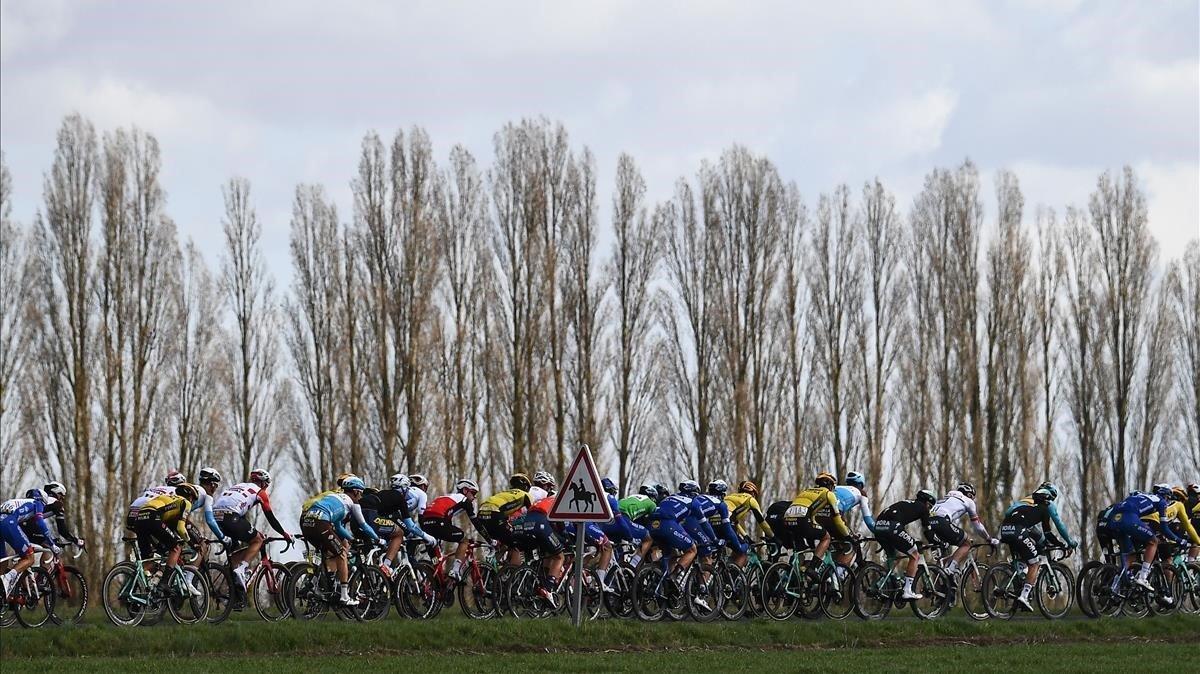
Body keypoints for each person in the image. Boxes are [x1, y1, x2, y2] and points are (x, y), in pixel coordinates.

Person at [299, 476, 381, 606]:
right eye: (360, 493)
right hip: (321, 524)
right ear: (355, 491)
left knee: (329, 553)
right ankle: (344, 596)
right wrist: (378, 539)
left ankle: (315, 584)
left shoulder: (334, 498)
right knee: (342, 554)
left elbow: (338, 526)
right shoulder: (353, 503)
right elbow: (364, 525)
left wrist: (351, 539)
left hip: (306, 524)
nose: (360, 496)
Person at [1001, 487, 1079, 612]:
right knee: (1035, 563)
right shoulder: (1045, 509)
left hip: (1005, 529)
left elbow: (1009, 513)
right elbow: (1049, 532)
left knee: (1027, 553)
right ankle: (1024, 596)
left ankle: (1019, 576)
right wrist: (1064, 544)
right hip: (1019, 530)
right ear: (1048, 499)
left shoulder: (1027, 503)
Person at [212, 468, 292, 589]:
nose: (266, 488)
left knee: (234, 553)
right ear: (263, 483)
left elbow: (241, 517)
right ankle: (242, 568)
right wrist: (284, 533)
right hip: (231, 516)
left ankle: (235, 593)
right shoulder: (260, 492)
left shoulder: (238, 486)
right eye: (267, 485)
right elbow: (270, 517)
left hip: (216, 516)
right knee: (258, 540)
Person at [1105, 485, 1186, 594]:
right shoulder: (1161, 502)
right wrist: (1179, 540)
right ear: (1166, 496)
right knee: (1153, 541)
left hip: (1113, 520)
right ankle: (1143, 577)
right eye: (1168, 498)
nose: (1168, 502)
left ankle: (1115, 586)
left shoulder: (1143, 495)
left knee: (1130, 554)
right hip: (1129, 518)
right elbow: (1164, 528)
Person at [646, 481, 713, 610]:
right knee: (692, 549)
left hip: (652, 526)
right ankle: (674, 576)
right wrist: (714, 539)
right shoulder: (693, 502)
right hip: (667, 524)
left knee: (672, 554)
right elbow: (704, 524)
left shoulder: (669, 498)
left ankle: (664, 583)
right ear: (694, 493)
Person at [130, 483, 204, 596]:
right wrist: (192, 544)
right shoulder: (185, 502)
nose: (193, 503)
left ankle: (138, 594)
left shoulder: (169, 499)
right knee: (176, 548)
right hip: (152, 517)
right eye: (194, 500)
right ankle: (164, 583)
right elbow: (180, 528)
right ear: (190, 496)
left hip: (139, 519)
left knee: (148, 560)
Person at [361, 474, 437, 580]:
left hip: (358, 515)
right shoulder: (400, 498)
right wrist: (426, 536)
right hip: (371, 515)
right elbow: (410, 525)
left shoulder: (384, 493)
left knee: (380, 539)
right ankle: (386, 565)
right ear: (404, 487)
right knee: (399, 534)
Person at [873, 489, 938, 601]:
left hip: (878, 527)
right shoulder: (923, 508)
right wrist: (936, 542)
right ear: (927, 503)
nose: (929, 509)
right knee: (915, 555)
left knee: (893, 556)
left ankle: (886, 581)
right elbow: (928, 531)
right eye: (930, 507)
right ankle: (907, 591)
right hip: (893, 527)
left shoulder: (907, 503)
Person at [927, 482, 999, 576]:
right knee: (967, 543)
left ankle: (938, 583)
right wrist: (988, 538)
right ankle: (951, 570)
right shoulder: (968, 501)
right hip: (942, 521)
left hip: (929, 524)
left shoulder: (946, 498)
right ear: (970, 494)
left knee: (942, 558)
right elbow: (977, 526)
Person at [0, 489, 60, 600]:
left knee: (3, 564)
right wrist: (51, 544)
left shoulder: (20, 502)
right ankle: (7, 578)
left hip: (3, 520)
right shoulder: (37, 503)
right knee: (29, 558)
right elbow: (40, 523)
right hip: (8, 523)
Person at [782, 472, 851, 563]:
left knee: (800, 550)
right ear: (830, 485)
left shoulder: (805, 491)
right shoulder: (828, 494)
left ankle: (793, 572)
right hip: (802, 520)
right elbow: (837, 521)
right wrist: (848, 536)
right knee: (826, 537)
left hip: (786, 520)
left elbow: (811, 516)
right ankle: (813, 567)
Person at [420, 479, 479, 582]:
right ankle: (455, 570)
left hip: (425, 524)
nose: (474, 497)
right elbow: (477, 523)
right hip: (438, 522)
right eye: (473, 493)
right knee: (464, 539)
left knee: (436, 562)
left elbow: (445, 519)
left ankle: (434, 587)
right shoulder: (464, 500)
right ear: (465, 490)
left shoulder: (447, 498)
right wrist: (490, 539)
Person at [474, 473, 534, 566]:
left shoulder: (503, 493)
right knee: (515, 544)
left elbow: (505, 510)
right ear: (526, 487)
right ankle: (514, 573)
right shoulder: (525, 495)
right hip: (495, 514)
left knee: (502, 542)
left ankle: (490, 569)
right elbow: (532, 515)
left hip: (481, 513)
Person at [19, 481, 84, 553]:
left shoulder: (40, 499)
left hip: (19, 525)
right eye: (61, 496)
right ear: (57, 493)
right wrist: (76, 540)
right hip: (30, 527)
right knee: (50, 549)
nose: (62, 499)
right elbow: (62, 530)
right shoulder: (57, 504)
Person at [704, 480, 748, 566]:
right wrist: (743, 546)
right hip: (724, 531)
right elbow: (728, 529)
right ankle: (732, 576)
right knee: (742, 553)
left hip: (709, 532)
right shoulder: (721, 504)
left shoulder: (705, 501)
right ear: (723, 493)